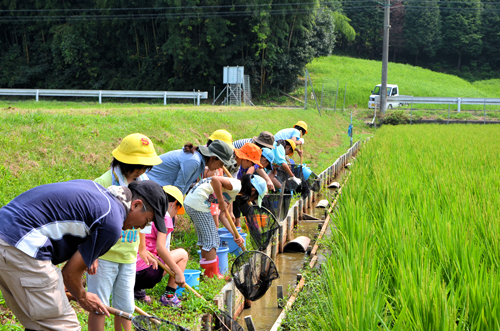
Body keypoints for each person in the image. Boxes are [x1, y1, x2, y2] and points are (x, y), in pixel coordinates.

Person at [0, 179, 167, 331]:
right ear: (136, 205)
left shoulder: (97, 191)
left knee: (39, 324)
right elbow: (70, 274)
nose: (143, 226)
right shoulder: (112, 223)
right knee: (65, 326)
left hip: (7, 236)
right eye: (148, 219)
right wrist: (83, 296)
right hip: (21, 244)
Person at [88, 133, 164, 331]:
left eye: (146, 166)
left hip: (128, 256)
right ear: (125, 161)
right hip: (104, 256)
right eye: (139, 166)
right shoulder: (104, 182)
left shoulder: (143, 182)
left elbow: (144, 219)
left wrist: (141, 248)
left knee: (126, 307)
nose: (142, 171)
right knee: (99, 306)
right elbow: (91, 221)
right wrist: (92, 254)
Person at [184, 174, 264, 278]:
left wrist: (235, 234)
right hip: (198, 204)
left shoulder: (234, 193)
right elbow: (215, 179)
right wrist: (221, 201)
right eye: (255, 197)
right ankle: (212, 275)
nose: (251, 200)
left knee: (205, 240)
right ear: (253, 190)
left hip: (193, 203)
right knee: (212, 241)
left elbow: (223, 216)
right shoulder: (236, 185)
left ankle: (206, 273)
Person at [134, 186, 188, 308]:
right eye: (177, 211)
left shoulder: (144, 212)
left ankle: (137, 291)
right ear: (174, 204)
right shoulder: (165, 216)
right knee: (182, 254)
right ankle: (169, 296)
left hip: (128, 272)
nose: (175, 216)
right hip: (146, 274)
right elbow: (161, 248)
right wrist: (178, 272)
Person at [147, 140, 235, 195]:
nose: (221, 167)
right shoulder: (194, 161)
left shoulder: (198, 161)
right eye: (221, 163)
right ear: (213, 158)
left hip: (157, 187)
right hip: (148, 183)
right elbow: (177, 188)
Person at [204, 129, 234, 227]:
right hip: (207, 199)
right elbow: (207, 177)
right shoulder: (208, 159)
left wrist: (230, 211)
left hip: (215, 198)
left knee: (215, 225)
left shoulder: (218, 162)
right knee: (212, 226)